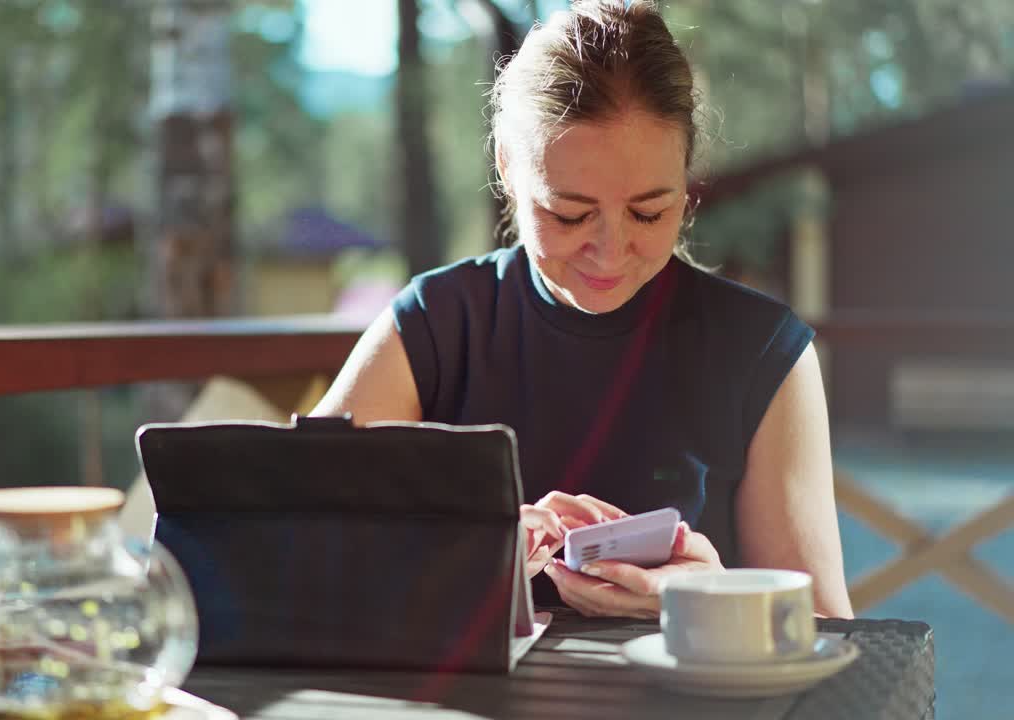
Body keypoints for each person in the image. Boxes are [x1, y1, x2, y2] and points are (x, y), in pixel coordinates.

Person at [312, 0, 854, 619]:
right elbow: (282, 539)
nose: (610, 251)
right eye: (568, 214)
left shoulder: (760, 352)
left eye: (649, 212)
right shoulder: (435, 326)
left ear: (687, 178)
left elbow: (834, 634)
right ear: (509, 171)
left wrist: (711, 598)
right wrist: (466, 550)